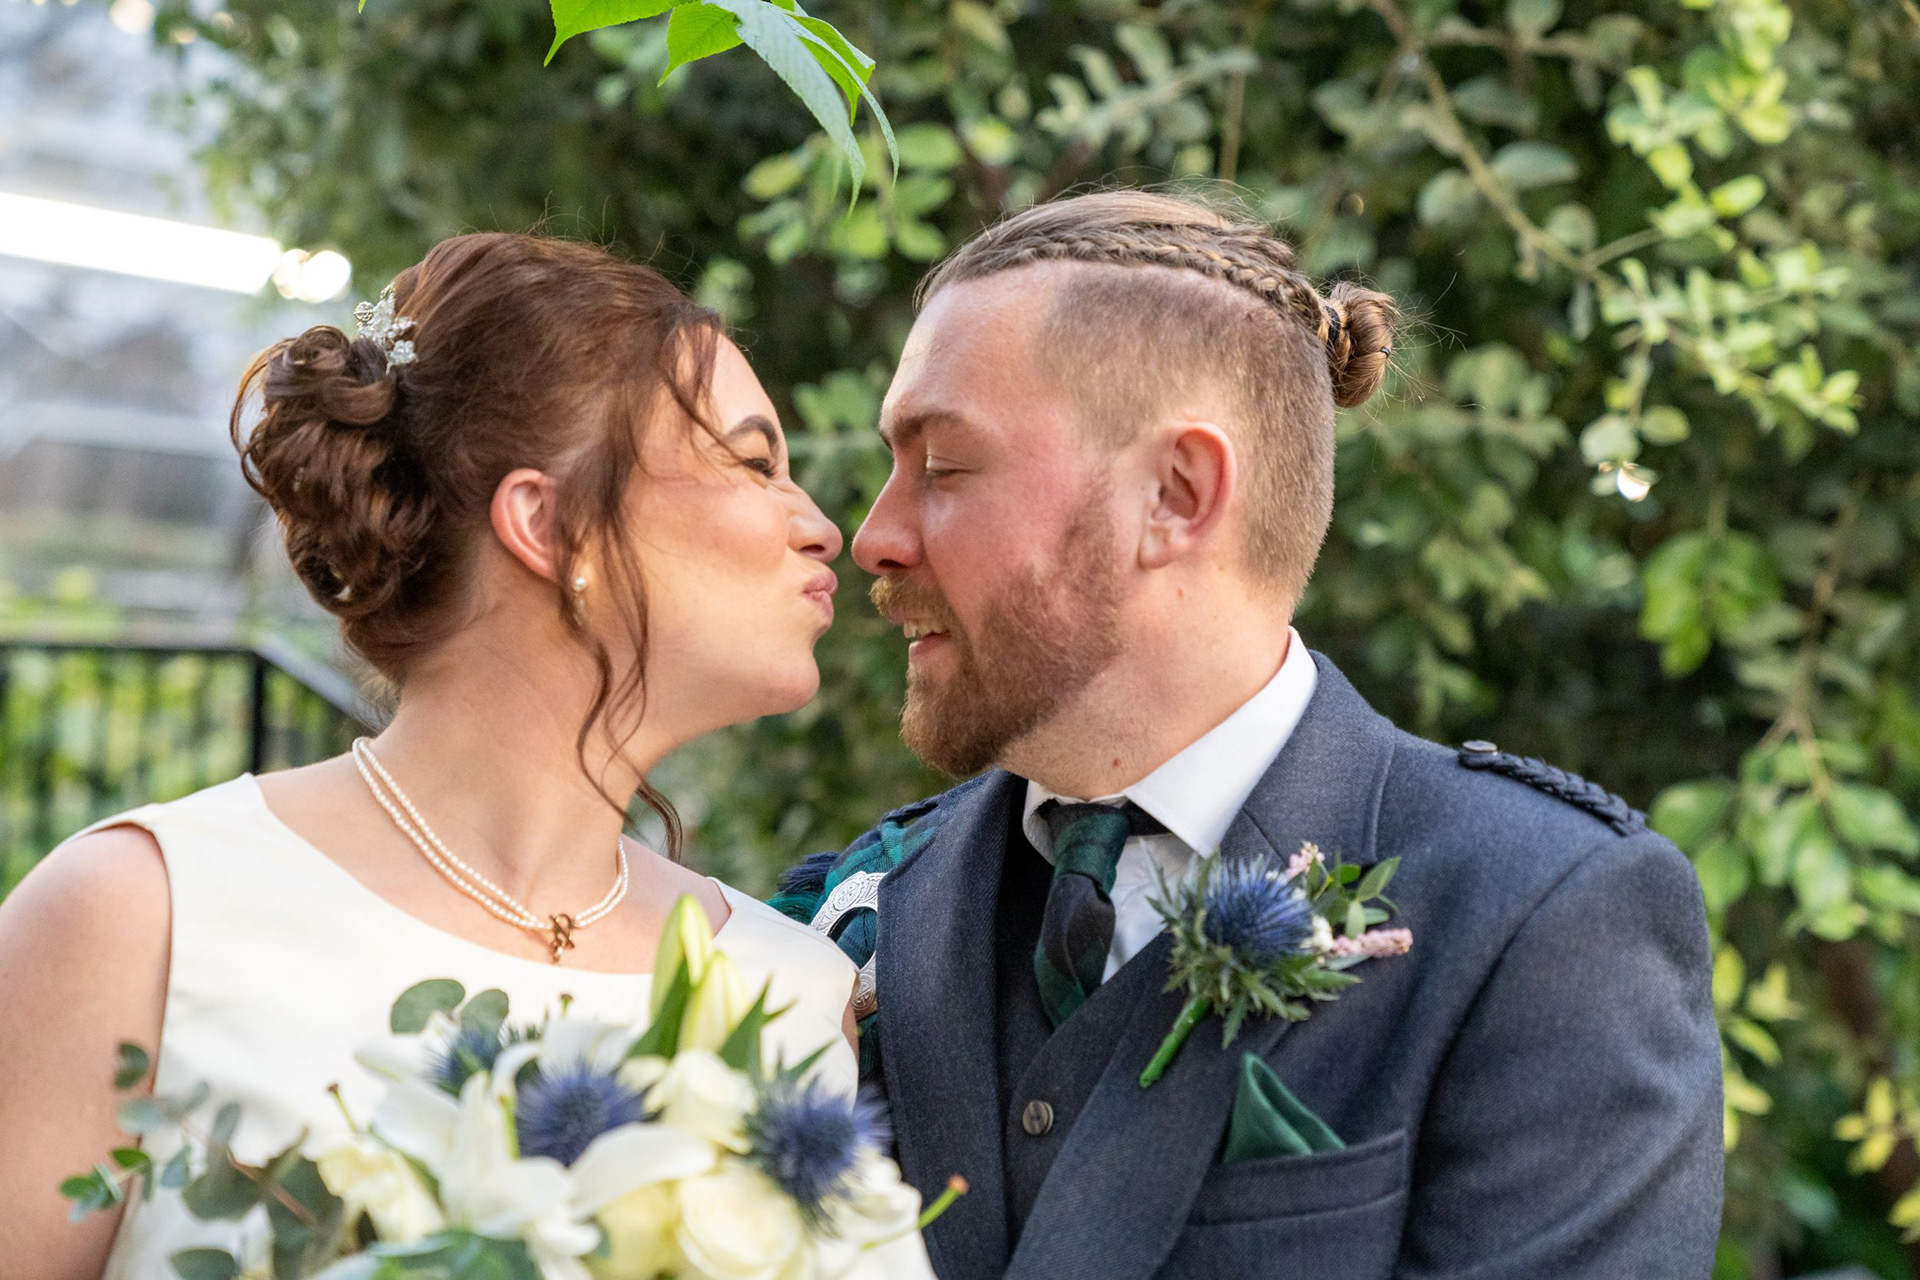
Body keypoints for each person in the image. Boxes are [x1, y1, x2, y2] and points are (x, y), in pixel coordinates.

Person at [777, 191, 1724, 1280]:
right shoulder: (860, 908)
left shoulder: (1542, 919)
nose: (872, 538)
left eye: (942, 467)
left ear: (1176, 495)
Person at [0, 233, 873, 1279]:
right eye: (753, 461)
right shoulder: (142, 916)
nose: (823, 526)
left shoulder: (790, 994)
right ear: (552, 526)